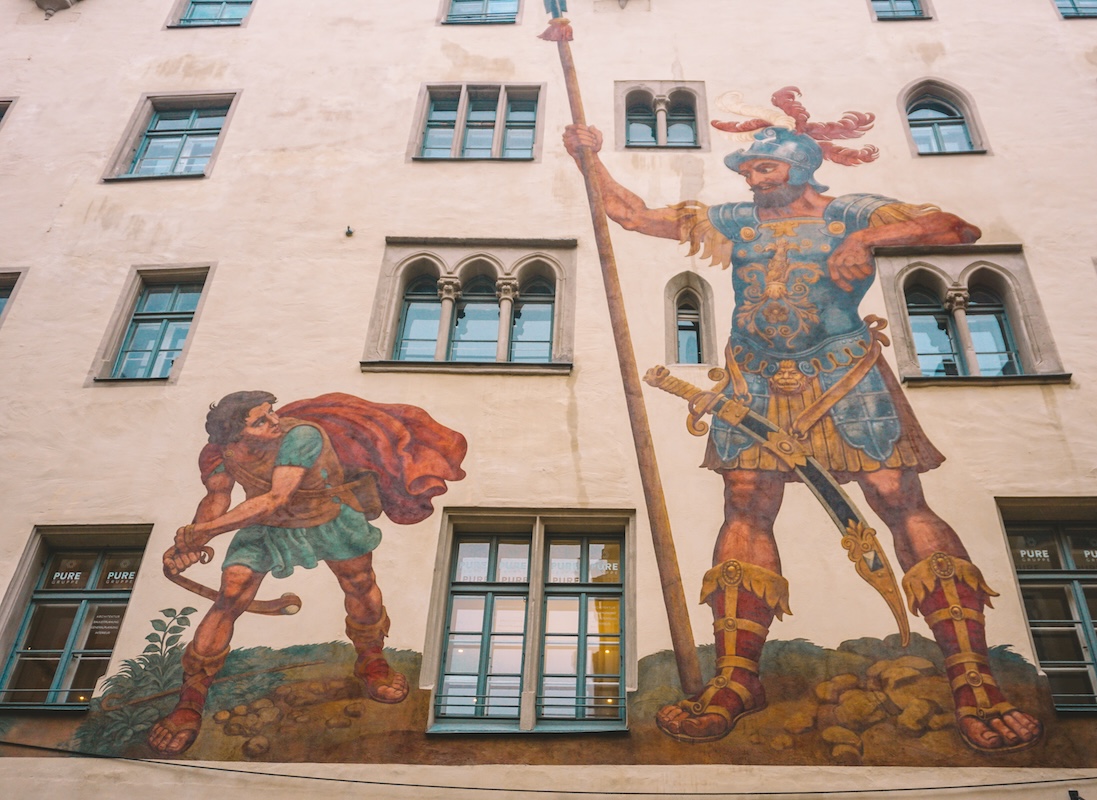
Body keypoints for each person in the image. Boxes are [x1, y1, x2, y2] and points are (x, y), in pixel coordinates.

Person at [563, 87, 1042, 753]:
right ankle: (736, 677)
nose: (755, 179)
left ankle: (971, 677)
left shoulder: (852, 211)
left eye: (767, 168)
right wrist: (591, 162)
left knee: (896, 498)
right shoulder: (736, 220)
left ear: (801, 165)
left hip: (843, 371)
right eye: (749, 171)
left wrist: (872, 236)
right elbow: (639, 217)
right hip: (755, 378)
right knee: (745, 503)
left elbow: (954, 227)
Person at [149, 391, 467, 756]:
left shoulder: (302, 435)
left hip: (325, 515)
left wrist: (208, 532)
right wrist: (191, 539)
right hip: (266, 526)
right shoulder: (219, 453)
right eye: (260, 421)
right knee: (230, 593)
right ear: (235, 436)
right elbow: (217, 498)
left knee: (359, 583)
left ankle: (371, 659)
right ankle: (191, 696)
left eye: (270, 413)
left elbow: (276, 497)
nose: (274, 421)